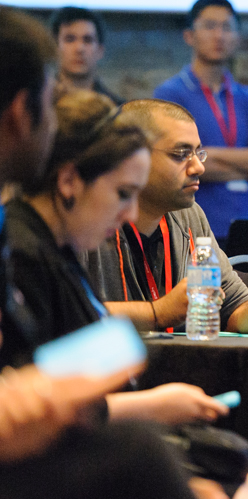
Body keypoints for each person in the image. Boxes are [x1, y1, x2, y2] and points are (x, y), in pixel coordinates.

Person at [0, 9, 201, 499]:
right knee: (139, 452)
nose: (130, 213)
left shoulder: (48, 248)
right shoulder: (25, 245)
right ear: (22, 112)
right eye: (52, 103)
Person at [83, 98, 248, 334]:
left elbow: (235, 311)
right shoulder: (84, 219)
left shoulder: (190, 216)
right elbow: (62, 316)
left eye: (199, 153)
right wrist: (157, 313)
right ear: (132, 157)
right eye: (180, 154)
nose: (198, 167)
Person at [154, 0, 248, 245]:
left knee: (244, 284)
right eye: (210, 26)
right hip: (192, 231)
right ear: (189, 35)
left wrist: (209, 155)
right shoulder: (170, 94)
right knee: (201, 286)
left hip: (245, 229)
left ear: (237, 37)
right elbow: (174, 164)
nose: (219, 35)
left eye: (227, 27)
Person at [50, 6, 124, 105]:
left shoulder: (118, 110)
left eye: (88, 40)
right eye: (70, 39)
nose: (79, 48)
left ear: (100, 50)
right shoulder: (37, 106)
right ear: (55, 47)